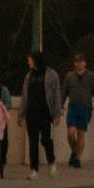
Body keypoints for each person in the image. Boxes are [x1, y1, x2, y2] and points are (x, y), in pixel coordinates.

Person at [18, 50, 61, 179]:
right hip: (31, 112)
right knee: (33, 142)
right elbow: (24, 96)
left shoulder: (51, 75)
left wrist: (57, 113)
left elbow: (56, 94)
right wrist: (21, 114)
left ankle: (51, 162)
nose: (28, 62)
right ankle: (34, 169)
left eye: (30, 60)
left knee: (46, 139)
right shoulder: (28, 76)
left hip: (45, 112)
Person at [60, 53, 94, 168]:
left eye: (81, 62)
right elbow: (63, 92)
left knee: (81, 134)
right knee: (70, 132)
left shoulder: (91, 76)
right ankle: (74, 152)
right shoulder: (69, 76)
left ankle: (77, 158)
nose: (79, 64)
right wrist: (60, 106)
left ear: (84, 63)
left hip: (85, 108)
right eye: (77, 62)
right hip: (73, 108)